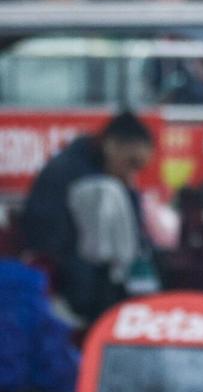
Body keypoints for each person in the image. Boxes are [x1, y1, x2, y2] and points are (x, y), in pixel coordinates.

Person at [20, 112, 159, 325]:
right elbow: (48, 240)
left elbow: (134, 236)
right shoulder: (73, 176)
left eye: (139, 168)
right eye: (131, 163)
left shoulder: (114, 178)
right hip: (68, 280)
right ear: (111, 145)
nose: (133, 174)